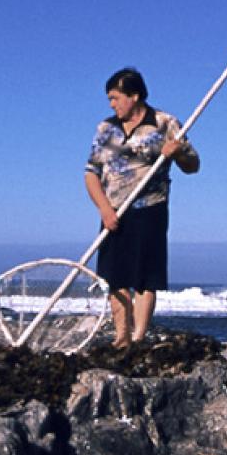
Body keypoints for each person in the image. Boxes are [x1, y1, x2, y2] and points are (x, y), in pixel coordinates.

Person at [84, 67, 200, 348]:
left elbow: (193, 166)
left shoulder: (165, 123)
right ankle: (121, 337)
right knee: (114, 276)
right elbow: (91, 173)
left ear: (134, 96)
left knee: (145, 278)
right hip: (114, 212)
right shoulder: (106, 128)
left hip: (151, 210)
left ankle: (138, 338)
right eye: (109, 99)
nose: (112, 104)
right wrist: (104, 209)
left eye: (115, 98)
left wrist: (179, 152)